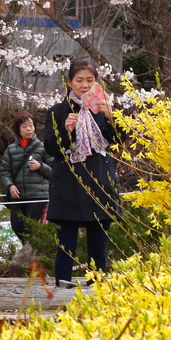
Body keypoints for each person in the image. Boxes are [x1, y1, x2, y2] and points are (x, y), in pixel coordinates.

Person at [44, 58, 122, 287]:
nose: (85, 85)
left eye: (90, 80)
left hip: (100, 184)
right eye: (79, 80)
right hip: (69, 187)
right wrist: (67, 131)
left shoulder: (103, 108)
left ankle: (96, 296)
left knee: (99, 250)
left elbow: (118, 145)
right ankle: (61, 299)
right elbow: (51, 148)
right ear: (69, 82)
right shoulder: (57, 111)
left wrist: (112, 119)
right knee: (66, 249)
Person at [0, 111, 52, 242]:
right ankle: (27, 251)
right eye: (24, 126)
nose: (29, 129)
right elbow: (4, 171)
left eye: (31, 125)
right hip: (18, 195)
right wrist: (10, 186)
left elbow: (54, 171)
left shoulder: (43, 147)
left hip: (39, 195)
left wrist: (40, 166)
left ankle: (32, 256)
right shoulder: (11, 149)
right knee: (17, 226)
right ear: (18, 130)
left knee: (31, 228)